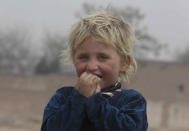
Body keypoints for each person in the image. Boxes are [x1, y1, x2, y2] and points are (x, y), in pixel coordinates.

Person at [41, 11, 148, 131]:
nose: (91, 67)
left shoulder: (132, 101)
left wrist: (95, 101)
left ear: (124, 63)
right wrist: (79, 99)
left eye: (102, 57)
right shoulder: (63, 97)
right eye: (83, 57)